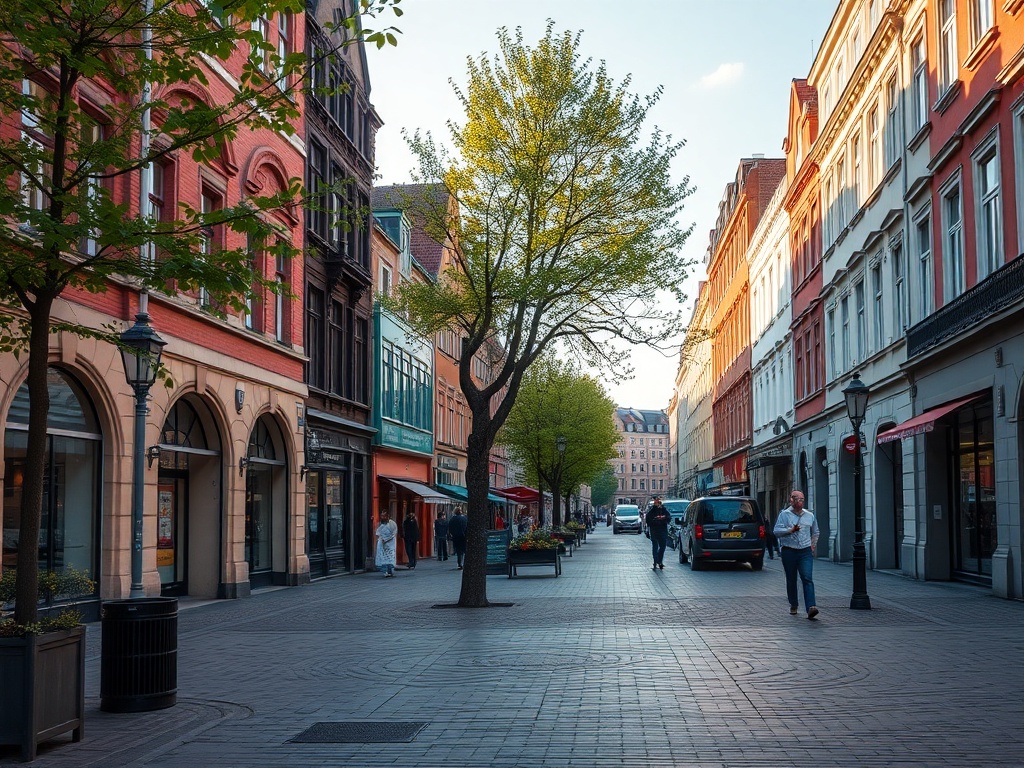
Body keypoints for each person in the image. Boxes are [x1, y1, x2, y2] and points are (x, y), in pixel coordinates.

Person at [774, 491, 820, 619]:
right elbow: (776, 531)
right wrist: (790, 530)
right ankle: (793, 604)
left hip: (805, 551)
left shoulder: (809, 515)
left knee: (807, 577)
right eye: (797, 499)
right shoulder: (784, 515)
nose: (800, 502)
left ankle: (811, 607)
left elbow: (816, 531)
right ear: (791, 501)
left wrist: (813, 545)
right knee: (791, 578)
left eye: (802, 499)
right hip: (789, 551)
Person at [645, 496, 672, 570]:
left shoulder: (664, 510)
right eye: (656, 502)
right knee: (655, 546)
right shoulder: (651, 511)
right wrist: (655, 520)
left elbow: (669, 518)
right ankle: (656, 561)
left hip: (663, 530)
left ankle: (659, 560)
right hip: (654, 531)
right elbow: (648, 521)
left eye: (659, 502)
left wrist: (664, 518)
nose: (658, 504)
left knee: (662, 547)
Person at [374, 510, 398, 578]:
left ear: (388, 516)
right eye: (382, 516)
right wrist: (381, 539)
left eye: (384, 516)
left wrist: (387, 540)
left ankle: (390, 571)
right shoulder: (380, 524)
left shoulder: (392, 524)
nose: (383, 517)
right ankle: (385, 571)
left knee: (390, 558)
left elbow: (393, 534)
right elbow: (377, 533)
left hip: (390, 544)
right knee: (383, 558)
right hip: (382, 543)